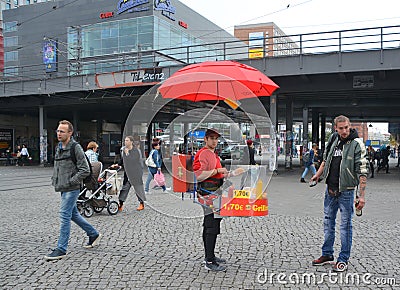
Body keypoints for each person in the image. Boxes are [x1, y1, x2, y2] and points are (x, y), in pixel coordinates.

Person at [310, 115, 368, 272]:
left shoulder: (357, 144)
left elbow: (362, 171)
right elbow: (326, 159)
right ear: (335, 128)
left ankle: (343, 259)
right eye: (341, 128)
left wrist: (361, 195)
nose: (344, 131)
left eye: (346, 127)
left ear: (349, 126)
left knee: (345, 226)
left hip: (346, 191)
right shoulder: (333, 139)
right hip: (330, 189)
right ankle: (327, 254)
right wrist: (319, 174)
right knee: (328, 222)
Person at [45, 120, 101, 261]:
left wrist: (72, 181)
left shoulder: (75, 147)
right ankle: (93, 234)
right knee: (73, 214)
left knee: (64, 215)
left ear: (70, 133)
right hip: (63, 187)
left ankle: (61, 249)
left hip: (72, 188)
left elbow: (85, 169)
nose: (59, 133)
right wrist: (56, 180)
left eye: (62, 131)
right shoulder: (59, 146)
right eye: (58, 131)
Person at [193, 128, 230, 272]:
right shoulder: (203, 154)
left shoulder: (213, 154)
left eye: (216, 138)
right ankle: (209, 261)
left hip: (215, 192)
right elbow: (199, 175)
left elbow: (217, 173)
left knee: (211, 224)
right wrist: (217, 171)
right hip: (208, 193)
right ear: (205, 139)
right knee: (211, 226)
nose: (215, 141)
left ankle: (210, 255)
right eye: (212, 138)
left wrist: (225, 174)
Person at [112, 136, 146, 211]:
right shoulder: (124, 150)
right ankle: (120, 204)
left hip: (136, 173)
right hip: (128, 174)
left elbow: (133, 160)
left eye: (127, 140)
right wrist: (117, 164)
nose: (125, 142)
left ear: (131, 142)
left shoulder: (136, 151)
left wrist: (127, 154)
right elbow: (122, 160)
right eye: (125, 140)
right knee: (124, 189)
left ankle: (141, 203)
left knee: (138, 189)